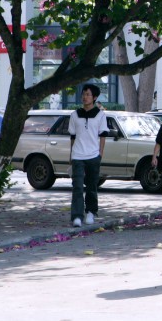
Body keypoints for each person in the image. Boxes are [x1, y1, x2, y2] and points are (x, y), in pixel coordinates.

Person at [69, 84, 108, 228]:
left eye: (88, 94)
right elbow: (72, 137)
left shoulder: (100, 115)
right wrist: (71, 155)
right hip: (78, 155)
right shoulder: (74, 115)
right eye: (83, 94)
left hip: (93, 155)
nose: (85, 97)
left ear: (95, 97)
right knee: (77, 186)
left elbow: (103, 136)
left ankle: (91, 211)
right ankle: (77, 216)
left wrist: (100, 154)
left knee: (92, 186)